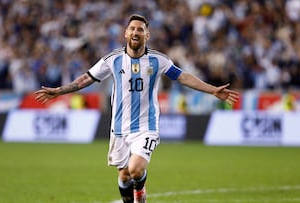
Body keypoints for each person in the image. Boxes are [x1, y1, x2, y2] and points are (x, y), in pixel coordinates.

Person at [35, 14, 240, 203]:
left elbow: (183, 76)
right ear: (126, 33)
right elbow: (86, 78)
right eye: (132, 28)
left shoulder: (158, 60)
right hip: (119, 128)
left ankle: (140, 194)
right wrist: (60, 91)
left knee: (135, 169)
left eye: (140, 29)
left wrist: (212, 90)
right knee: (124, 176)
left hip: (146, 126)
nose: (135, 32)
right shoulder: (112, 59)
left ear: (147, 35)